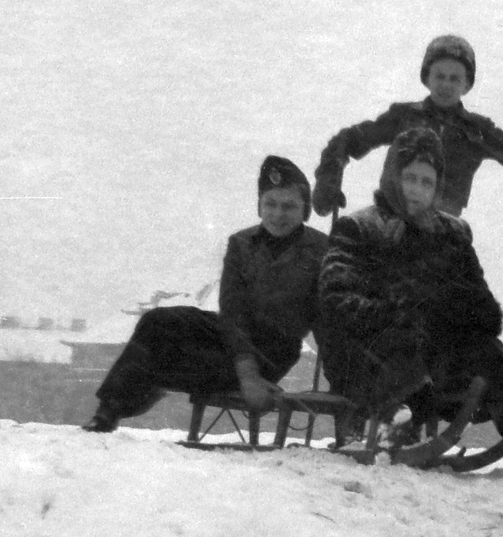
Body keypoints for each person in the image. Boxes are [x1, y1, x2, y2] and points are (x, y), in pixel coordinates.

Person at [317, 126, 503, 479]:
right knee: (397, 346)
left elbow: (483, 307)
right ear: (393, 176)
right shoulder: (359, 227)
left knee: (488, 351)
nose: (417, 190)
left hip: (440, 350)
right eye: (409, 178)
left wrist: (443, 297)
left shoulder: (452, 233)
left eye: (426, 181)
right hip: (373, 347)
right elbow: (336, 299)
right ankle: (389, 427)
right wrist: (398, 306)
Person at [82, 156, 328, 432]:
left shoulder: (322, 251)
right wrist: (245, 375)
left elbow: (328, 321)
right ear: (259, 206)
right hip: (231, 335)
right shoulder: (242, 243)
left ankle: (145, 388)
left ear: (304, 210)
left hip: (271, 353)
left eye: (289, 206)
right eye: (270, 204)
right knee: (157, 321)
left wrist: (340, 388)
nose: (278, 214)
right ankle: (108, 411)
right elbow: (232, 310)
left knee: (170, 362)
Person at [310, 35, 503, 233]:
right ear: (426, 78)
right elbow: (346, 141)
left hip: (441, 230)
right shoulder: (403, 117)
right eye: (439, 76)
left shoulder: (476, 130)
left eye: (455, 78)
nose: (446, 85)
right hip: (389, 224)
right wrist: (328, 181)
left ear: (467, 85)